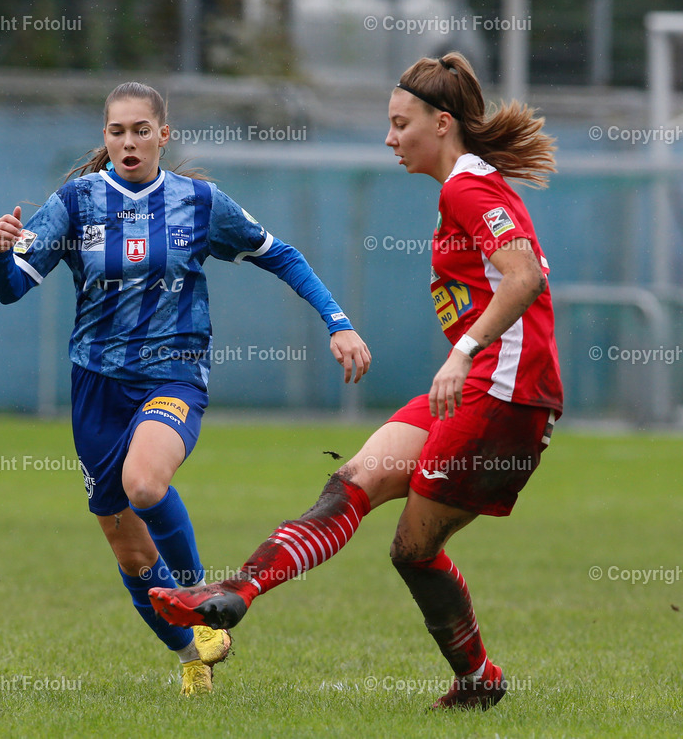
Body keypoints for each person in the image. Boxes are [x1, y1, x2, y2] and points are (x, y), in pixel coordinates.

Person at [150, 52, 563, 711]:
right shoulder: (465, 184)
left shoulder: (466, 187)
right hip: (483, 382)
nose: (391, 138)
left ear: (443, 122)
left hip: (506, 392)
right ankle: (236, 590)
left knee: (413, 549)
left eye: (401, 124)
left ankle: (479, 679)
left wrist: (463, 353)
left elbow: (524, 278)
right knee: (354, 480)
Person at [0, 82, 371, 695]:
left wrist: (339, 323)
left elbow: (281, 254)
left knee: (144, 482)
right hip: (95, 388)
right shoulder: (76, 203)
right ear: (104, 137)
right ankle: (193, 650)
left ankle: (200, 594)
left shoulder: (199, 203)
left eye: (142, 129)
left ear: (164, 135)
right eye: (117, 131)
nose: (128, 141)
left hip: (173, 374)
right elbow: (10, 288)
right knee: (132, 556)